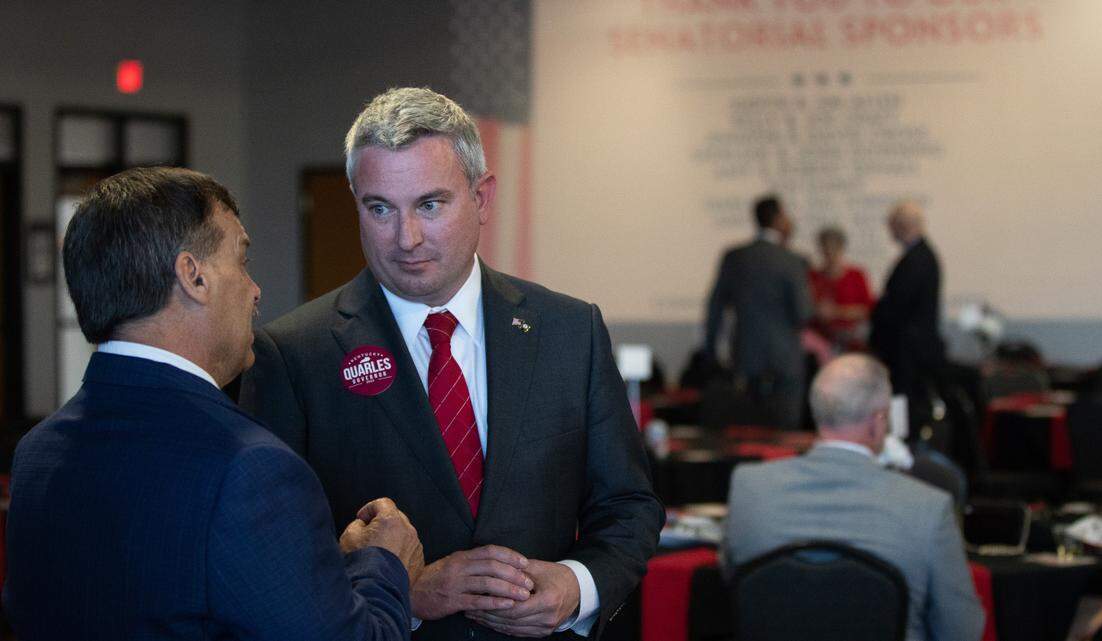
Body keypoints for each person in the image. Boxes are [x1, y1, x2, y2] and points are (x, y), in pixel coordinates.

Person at [239, 87, 664, 640]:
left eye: (430, 204)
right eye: (380, 208)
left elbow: (629, 504)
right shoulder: (295, 353)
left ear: (482, 198)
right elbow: (270, 556)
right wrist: (400, 591)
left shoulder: (569, 331)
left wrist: (575, 587)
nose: (406, 238)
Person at [3, 167, 422, 640]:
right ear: (193, 276)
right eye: (241, 260)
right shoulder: (249, 470)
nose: (255, 289)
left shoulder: (37, 452)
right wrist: (384, 564)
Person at [722, 354, 984, 641]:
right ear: (878, 422)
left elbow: (734, 585)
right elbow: (962, 630)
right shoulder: (928, 508)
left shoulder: (749, 487)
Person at [704, 194, 814, 429]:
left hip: (746, 355)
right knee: (785, 433)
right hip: (785, 359)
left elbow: (715, 308)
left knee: (748, 430)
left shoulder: (735, 257)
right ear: (777, 218)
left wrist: (712, 354)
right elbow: (803, 313)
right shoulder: (793, 260)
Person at [869, 200, 945, 418]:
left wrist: (876, 317)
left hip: (908, 352)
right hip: (909, 349)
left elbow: (897, 305)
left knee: (904, 406)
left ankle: (903, 444)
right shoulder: (921, 256)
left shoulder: (917, 260)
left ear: (901, 226)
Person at [808, 226, 874, 351]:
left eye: (834, 250)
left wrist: (837, 312)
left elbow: (867, 310)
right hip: (821, 342)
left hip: (852, 341)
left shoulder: (856, 275)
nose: (830, 256)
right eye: (826, 251)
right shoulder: (813, 277)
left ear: (841, 249)